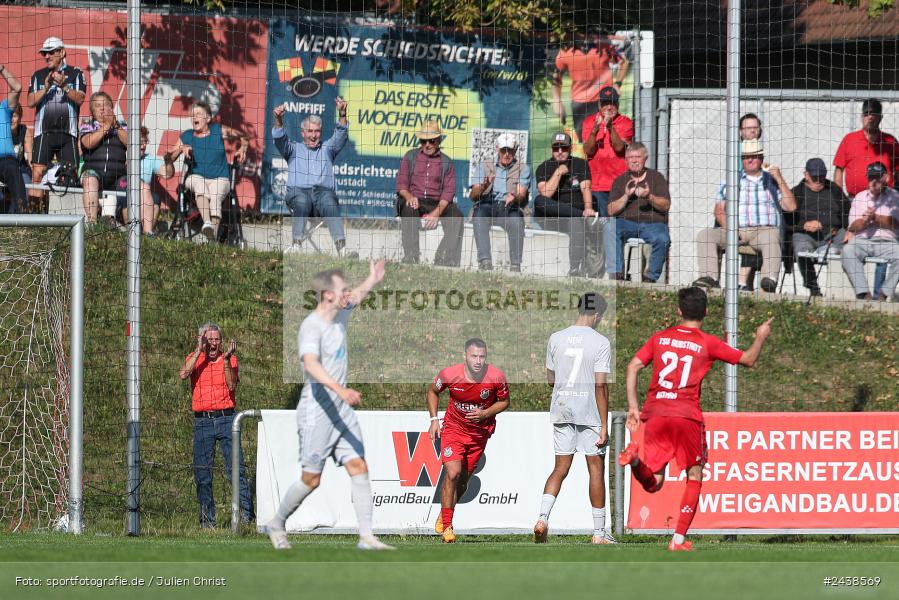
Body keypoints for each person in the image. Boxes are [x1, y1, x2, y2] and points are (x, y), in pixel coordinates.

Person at [619, 287, 774, 551]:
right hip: (685, 416)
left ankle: (634, 461)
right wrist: (760, 337)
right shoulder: (706, 342)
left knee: (654, 482)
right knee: (695, 474)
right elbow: (748, 359)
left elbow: (633, 366)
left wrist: (634, 407)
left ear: (679, 311)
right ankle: (678, 540)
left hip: (655, 413)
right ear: (705, 311)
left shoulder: (660, 338)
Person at [265, 261, 394, 551]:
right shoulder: (311, 327)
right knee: (311, 479)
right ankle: (276, 523)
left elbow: (358, 296)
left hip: (342, 412)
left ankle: (366, 537)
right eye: (342, 289)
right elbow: (310, 365)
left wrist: (372, 279)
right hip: (317, 412)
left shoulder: (340, 315)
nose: (348, 293)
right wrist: (341, 389)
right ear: (327, 295)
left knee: (359, 466)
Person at [533, 292, 615, 545]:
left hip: (562, 408)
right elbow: (600, 386)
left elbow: (551, 379)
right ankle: (599, 534)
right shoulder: (600, 342)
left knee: (560, 468)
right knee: (595, 470)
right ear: (598, 315)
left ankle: (542, 519)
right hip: (589, 412)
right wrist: (603, 425)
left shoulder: (556, 338)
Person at [428, 338, 510, 543]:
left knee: (463, 482)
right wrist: (433, 419)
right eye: (474, 356)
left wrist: (486, 413)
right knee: (453, 473)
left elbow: (505, 401)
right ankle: (447, 527)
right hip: (453, 430)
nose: (478, 361)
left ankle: (445, 513)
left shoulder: (496, 377)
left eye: (482, 357)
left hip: (478, 434)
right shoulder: (449, 374)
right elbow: (432, 391)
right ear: (464, 356)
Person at [694, 139, 796, 292]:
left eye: (754, 156)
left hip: (763, 230)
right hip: (736, 229)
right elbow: (719, 210)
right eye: (746, 156)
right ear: (741, 159)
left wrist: (780, 179)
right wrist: (731, 229)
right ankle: (710, 278)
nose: (750, 159)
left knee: (771, 238)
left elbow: (791, 207)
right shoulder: (730, 181)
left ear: (761, 158)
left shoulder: (772, 182)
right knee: (705, 235)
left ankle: (768, 280)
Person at [179, 322, 254, 528]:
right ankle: (207, 521)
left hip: (227, 419)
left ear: (221, 341)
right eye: (208, 339)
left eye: (216, 339)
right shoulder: (195, 359)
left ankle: (246, 517)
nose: (213, 343)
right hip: (202, 422)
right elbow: (184, 374)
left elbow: (231, 385)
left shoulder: (230, 359)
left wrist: (227, 360)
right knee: (203, 474)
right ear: (201, 339)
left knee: (236, 470)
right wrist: (198, 350)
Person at [833, 98, 897, 299]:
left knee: (887, 242)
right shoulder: (850, 139)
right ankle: (865, 294)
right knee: (849, 244)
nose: (870, 117)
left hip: (887, 202)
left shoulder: (890, 142)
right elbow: (839, 170)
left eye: (874, 113)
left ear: (880, 117)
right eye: (867, 113)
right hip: (853, 200)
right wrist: (840, 199)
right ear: (862, 116)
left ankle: (881, 294)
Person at [273, 97, 353, 255]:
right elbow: (279, 138)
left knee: (330, 202)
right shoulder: (293, 149)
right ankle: (296, 246)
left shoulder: (328, 148)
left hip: (322, 197)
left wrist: (342, 113)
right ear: (303, 133)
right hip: (298, 195)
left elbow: (341, 134)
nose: (313, 135)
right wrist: (278, 119)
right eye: (310, 131)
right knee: (301, 200)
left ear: (321, 132)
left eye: (317, 131)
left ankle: (342, 250)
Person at [170, 101, 248, 240]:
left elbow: (244, 136)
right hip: (196, 177)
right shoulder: (187, 136)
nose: (195, 117)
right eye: (192, 115)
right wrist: (182, 148)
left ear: (208, 118)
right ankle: (207, 222)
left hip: (220, 178)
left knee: (215, 196)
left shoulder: (218, 130)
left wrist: (243, 148)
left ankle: (212, 242)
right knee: (199, 184)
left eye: (199, 114)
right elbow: (170, 158)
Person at [27, 37, 86, 214]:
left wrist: (65, 86)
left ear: (62, 52)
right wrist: (45, 88)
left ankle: (67, 217)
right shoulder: (38, 75)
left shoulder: (76, 73)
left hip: (68, 133)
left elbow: (81, 98)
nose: (47, 56)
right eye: (45, 53)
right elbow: (30, 102)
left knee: (70, 174)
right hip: (43, 132)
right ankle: (33, 218)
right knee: (37, 174)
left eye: (52, 52)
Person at [395, 120, 463, 266]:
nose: (427, 145)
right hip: (415, 199)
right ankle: (411, 257)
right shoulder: (410, 156)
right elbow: (401, 185)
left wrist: (437, 212)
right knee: (408, 207)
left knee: (456, 216)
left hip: (436, 202)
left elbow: (448, 192)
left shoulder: (447, 162)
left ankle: (444, 259)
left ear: (438, 140)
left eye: (431, 141)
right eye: (423, 140)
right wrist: (409, 196)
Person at [603, 142, 671, 282]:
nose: (634, 160)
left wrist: (649, 196)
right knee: (610, 227)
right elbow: (610, 210)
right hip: (626, 222)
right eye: (631, 157)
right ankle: (617, 275)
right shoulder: (620, 180)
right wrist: (626, 195)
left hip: (653, 222)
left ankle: (650, 278)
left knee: (663, 239)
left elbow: (665, 206)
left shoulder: (656, 177)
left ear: (645, 158)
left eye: (638, 157)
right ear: (626, 160)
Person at [534, 132, 596, 276]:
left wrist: (588, 208)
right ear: (552, 149)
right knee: (539, 200)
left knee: (576, 222)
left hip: (573, 218)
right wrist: (558, 172)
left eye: (564, 148)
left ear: (570, 148)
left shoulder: (580, 164)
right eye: (556, 148)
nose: (560, 152)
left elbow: (586, 188)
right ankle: (580, 214)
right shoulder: (543, 167)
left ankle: (574, 269)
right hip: (553, 217)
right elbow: (546, 194)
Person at [552, 30, 629, 139]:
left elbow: (624, 62)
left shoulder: (603, 46)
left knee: (609, 139)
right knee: (586, 142)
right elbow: (556, 78)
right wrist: (557, 101)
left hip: (604, 100)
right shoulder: (565, 51)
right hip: (580, 104)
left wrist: (618, 84)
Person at [470, 133, 530, 272]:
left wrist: (514, 198)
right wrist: (483, 187)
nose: (507, 154)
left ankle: (515, 265)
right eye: (504, 150)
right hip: (487, 204)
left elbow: (521, 194)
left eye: (510, 150)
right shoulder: (484, 165)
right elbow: (473, 196)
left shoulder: (523, 168)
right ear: (497, 149)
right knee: (478, 215)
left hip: (509, 207)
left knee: (516, 220)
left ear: (515, 150)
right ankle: (485, 262)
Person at [790, 158, 850, 297]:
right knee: (801, 249)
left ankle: (840, 293)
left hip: (834, 234)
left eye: (822, 176)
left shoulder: (834, 190)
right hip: (805, 235)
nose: (819, 181)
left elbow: (847, 212)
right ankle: (813, 288)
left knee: (850, 245)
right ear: (806, 175)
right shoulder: (796, 192)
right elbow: (787, 221)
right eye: (815, 177)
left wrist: (849, 230)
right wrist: (803, 225)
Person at [840, 161, 899, 301]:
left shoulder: (895, 196)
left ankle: (883, 294)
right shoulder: (860, 197)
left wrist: (876, 217)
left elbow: (895, 223)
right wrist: (865, 221)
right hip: (863, 241)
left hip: (888, 241)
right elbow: (853, 227)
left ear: (886, 178)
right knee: (848, 251)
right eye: (870, 178)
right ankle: (864, 294)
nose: (873, 182)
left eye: (877, 178)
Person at [582, 86, 634, 217]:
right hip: (597, 185)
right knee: (601, 224)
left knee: (616, 225)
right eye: (605, 103)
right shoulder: (589, 122)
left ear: (618, 104)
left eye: (612, 103)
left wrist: (610, 127)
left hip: (619, 186)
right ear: (599, 104)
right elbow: (588, 150)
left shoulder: (626, 122)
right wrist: (595, 130)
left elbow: (619, 148)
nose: (609, 107)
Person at [79, 92, 127, 226]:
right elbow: (88, 143)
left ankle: (134, 231)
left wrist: (115, 126)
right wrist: (106, 126)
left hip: (119, 175)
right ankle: (92, 224)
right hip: (94, 172)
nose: (102, 108)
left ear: (111, 108)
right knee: (89, 180)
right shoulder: (88, 124)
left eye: (105, 105)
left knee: (135, 186)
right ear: (93, 111)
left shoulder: (122, 125)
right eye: (97, 106)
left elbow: (130, 143)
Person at [138, 126, 175, 235]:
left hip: (146, 198)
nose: (143, 145)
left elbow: (168, 174)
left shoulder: (149, 158)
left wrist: (168, 161)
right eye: (140, 142)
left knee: (155, 198)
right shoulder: (123, 156)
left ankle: (146, 234)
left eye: (145, 142)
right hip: (126, 197)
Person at [0, 63, 25, 215]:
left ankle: (23, 218)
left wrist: (1, 69)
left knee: (13, 169)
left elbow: (17, 88)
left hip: (6, 160)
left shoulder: (3, 108)